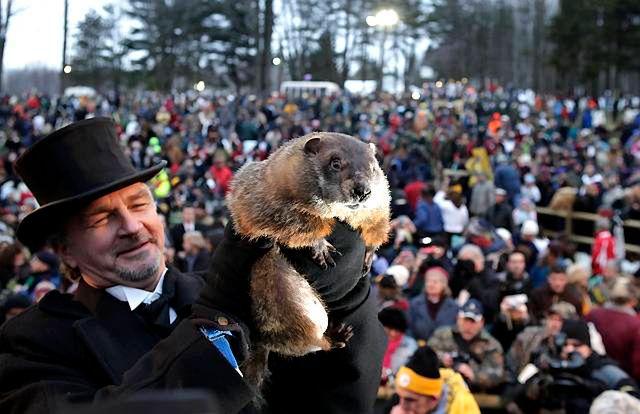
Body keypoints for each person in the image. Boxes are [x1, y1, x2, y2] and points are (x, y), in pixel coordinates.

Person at [0, 118, 386, 414]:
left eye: (139, 205)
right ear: (66, 252)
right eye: (102, 219)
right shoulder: (31, 343)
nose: (132, 228)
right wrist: (221, 317)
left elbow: (336, 400)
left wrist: (345, 298)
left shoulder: (209, 285)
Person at [427, 299, 505, 392]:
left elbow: (497, 374)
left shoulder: (491, 344)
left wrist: (473, 374)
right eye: (465, 320)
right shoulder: (442, 334)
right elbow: (426, 355)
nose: (468, 326)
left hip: (475, 393)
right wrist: (442, 358)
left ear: (482, 322)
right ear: (458, 319)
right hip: (439, 386)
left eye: (473, 322)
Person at [388, 346, 480, 414]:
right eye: (399, 395)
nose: (402, 405)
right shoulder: (401, 399)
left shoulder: (464, 408)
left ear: (433, 400)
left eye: (410, 400)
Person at [585, 277, 640, 382]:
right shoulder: (635, 324)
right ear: (633, 300)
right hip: (623, 381)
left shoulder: (593, 314)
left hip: (593, 374)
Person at [408, 267, 458, 342]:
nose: (430, 284)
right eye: (428, 281)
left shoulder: (454, 307)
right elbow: (408, 328)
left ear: (444, 284)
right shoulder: (415, 304)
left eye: (435, 282)